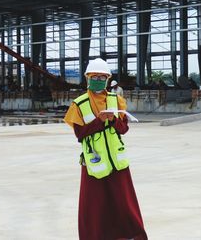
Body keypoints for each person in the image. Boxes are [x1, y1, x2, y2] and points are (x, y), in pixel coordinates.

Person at [63, 58, 147, 240]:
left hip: (117, 161)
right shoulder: (79, 103)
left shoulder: (116, 100)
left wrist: (113, 120)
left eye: (103, 77)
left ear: (108, 79)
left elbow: (123, 129)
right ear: (87, 78)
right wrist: (99, 121)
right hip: (95, 163)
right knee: (94, 206)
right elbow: (80, 134)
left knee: (124, 202)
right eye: (95, 76)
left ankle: (131, 236)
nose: (99, 80)